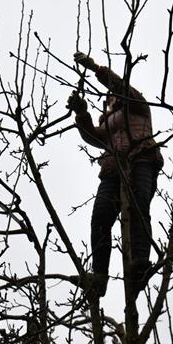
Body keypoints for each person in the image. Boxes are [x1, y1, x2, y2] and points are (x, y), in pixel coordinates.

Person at [66, 52, 163, 297]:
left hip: (140, 159)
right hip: (112, 170)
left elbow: (120, 86)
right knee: (100, 216)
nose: (111, 99)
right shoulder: (109, 124)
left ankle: (139, 263)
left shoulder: (138, 105)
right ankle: (99, 277)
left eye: (112, 95)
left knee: (138, 207)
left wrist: (96, 69)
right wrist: (81, 114)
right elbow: (92, 136)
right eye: (108, 99)